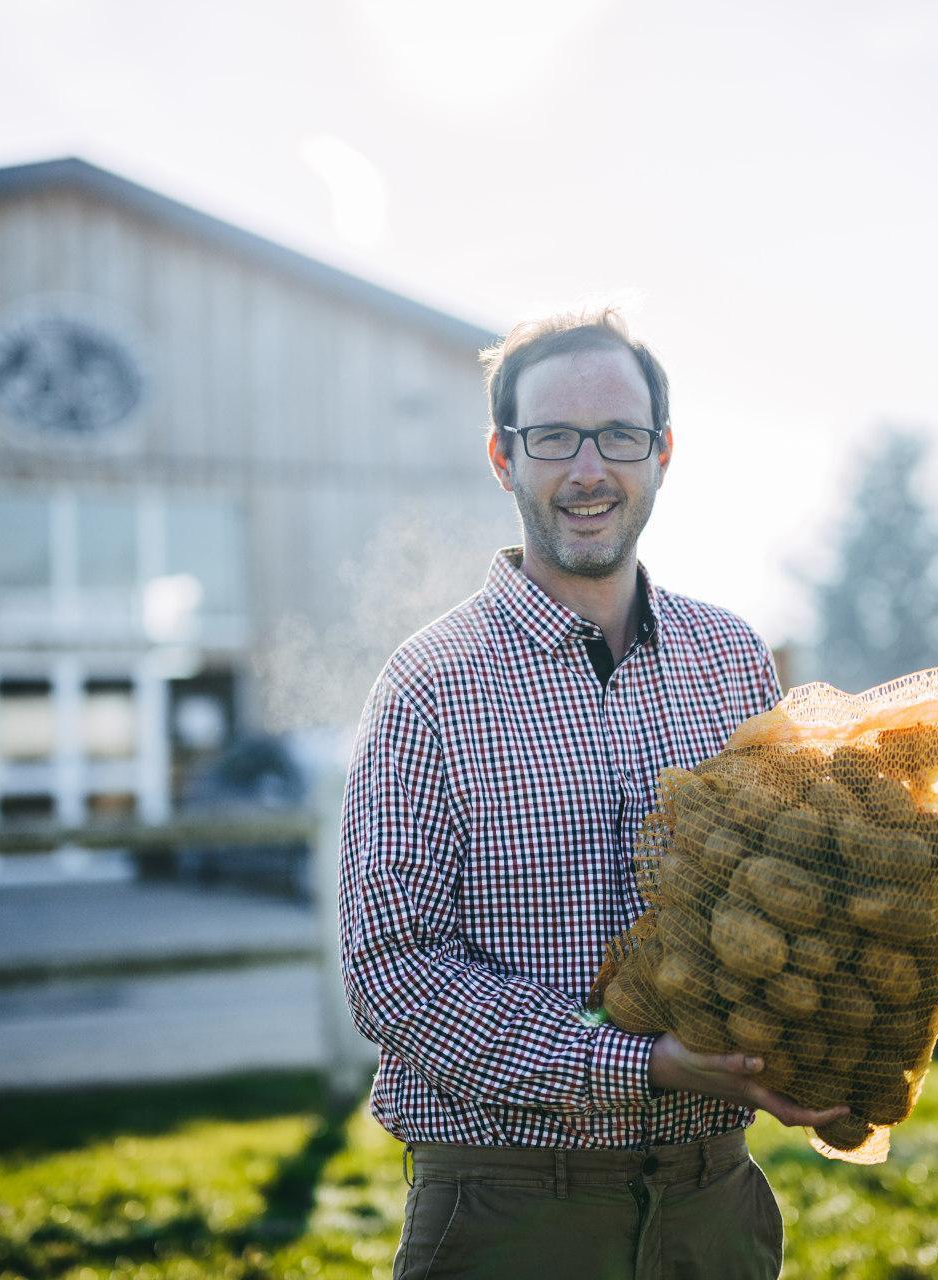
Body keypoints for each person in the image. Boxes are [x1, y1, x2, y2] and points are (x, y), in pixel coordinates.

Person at [339, 308, 847, 1279]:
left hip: (714, 1209)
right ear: (502, 456)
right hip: (511, 1210)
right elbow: (393, 970)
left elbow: (788, 884)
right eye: (552, 438)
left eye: (618, 435)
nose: (587, 469)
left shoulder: (731, 658)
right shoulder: (430, 684)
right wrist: (639, 1062)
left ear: (660, 452)